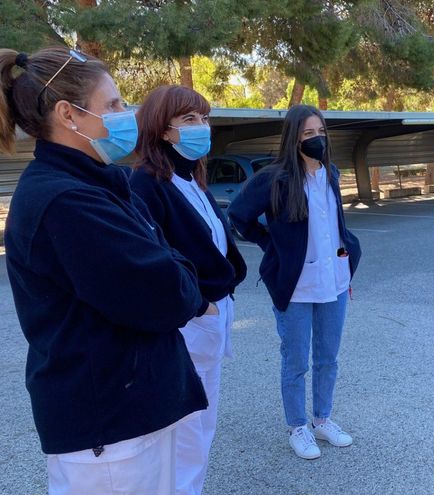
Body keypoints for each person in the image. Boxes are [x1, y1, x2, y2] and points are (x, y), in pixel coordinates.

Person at [0, 47, 209, 494]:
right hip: (111, 431)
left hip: (132, 413)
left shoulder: (97, 183)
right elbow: (168, 294)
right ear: (68, 115)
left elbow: (168, 266)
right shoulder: (67, 201)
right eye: (112, 105)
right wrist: (181, 273)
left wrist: (176, 268)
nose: (125, 114)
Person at [129, 85, 247, 494]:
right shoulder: (146, 184)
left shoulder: (191, 179)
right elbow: (152, 263)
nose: (203, 127)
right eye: (190, 120)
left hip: (210, 318)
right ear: (163, 130)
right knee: (185, 431)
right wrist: (201, 307)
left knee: (202, 423)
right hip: (188, 323)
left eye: (204, 118)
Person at [228, 105, 361, 460]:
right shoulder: (274, 178)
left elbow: (334, 225)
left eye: (320, 132)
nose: (316, 139)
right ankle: (298, 427)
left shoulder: (330, 173)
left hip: (334, 282)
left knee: (328, 358)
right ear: (293, 139)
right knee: (296, 360)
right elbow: (238, 215)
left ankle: (322, 419)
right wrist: (272, 244)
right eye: (307, 134)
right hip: (296, 287)